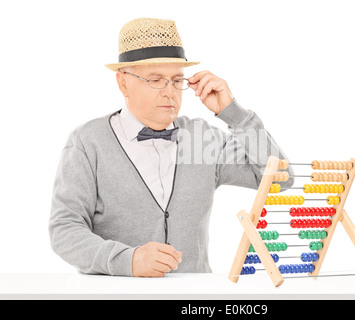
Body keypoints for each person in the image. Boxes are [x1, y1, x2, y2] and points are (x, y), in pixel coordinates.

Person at [49, 18, 294, 277]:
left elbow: (282, 177)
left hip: (196, 300)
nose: (170, 92)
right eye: (156, 79)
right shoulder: (89, 141)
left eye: (177, 80)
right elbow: (64, 229)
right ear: (123, 83)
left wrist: (233, 114)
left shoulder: (203, 138)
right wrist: (127, 260)